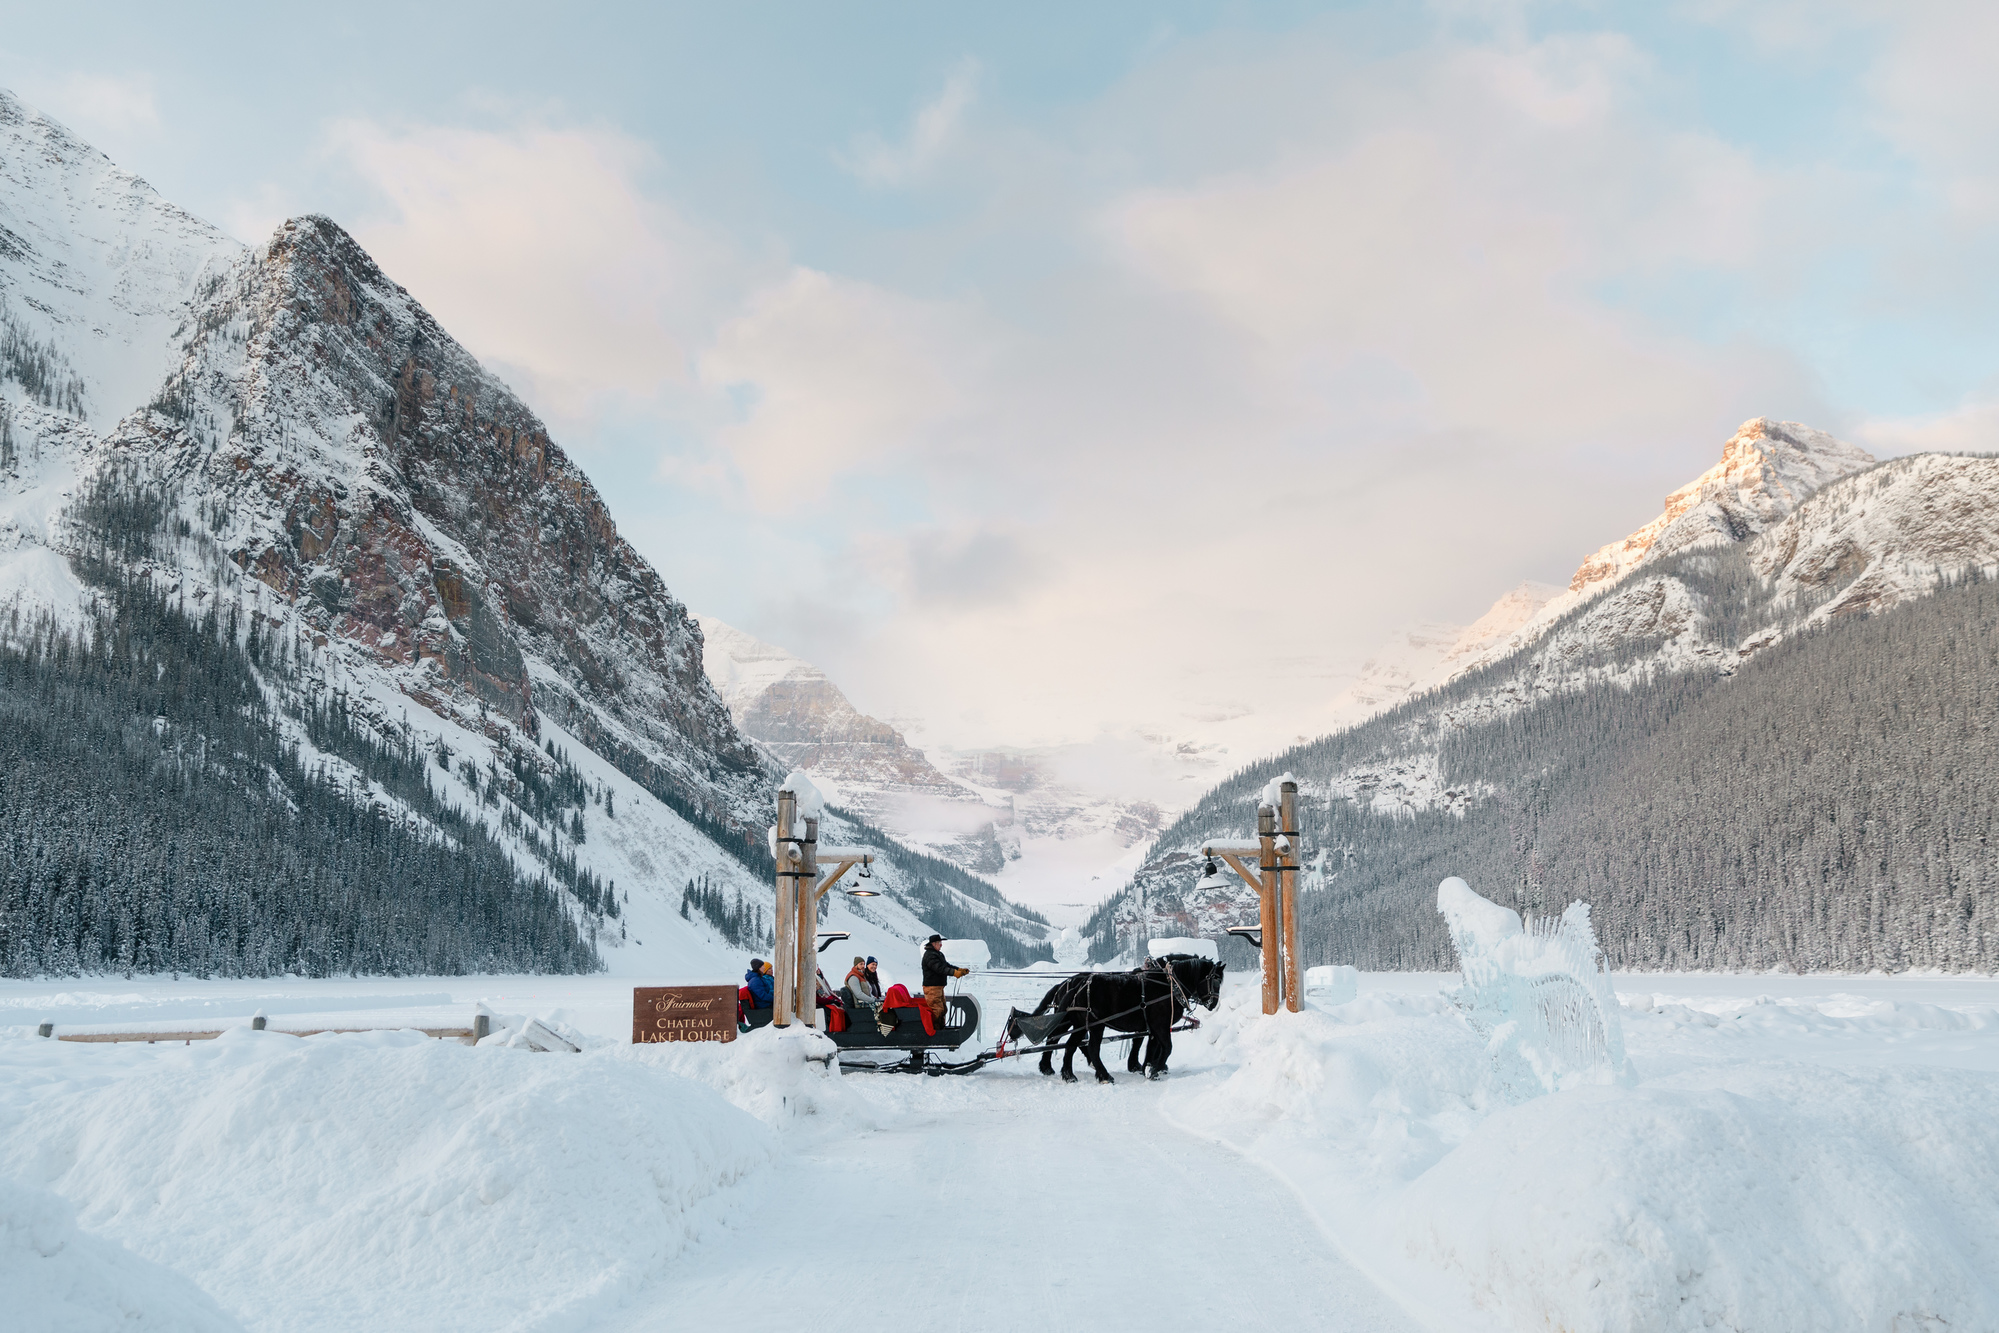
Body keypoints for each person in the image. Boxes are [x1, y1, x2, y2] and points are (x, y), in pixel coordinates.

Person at [920, 935, 970, 1027]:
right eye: (939, 943)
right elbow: (940, 968)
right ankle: (935, 1033)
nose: (941, 945)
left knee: (943, 1009)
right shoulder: (930, 955)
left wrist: (959, 969)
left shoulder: (937, 954)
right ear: (934, 944)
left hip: (938, 987)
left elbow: (946, 965)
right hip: (932, 988)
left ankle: (940, 1030)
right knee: (937, 1010)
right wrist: (955, 973)